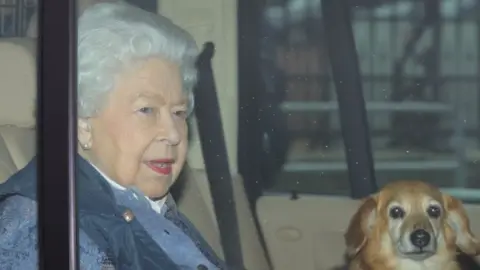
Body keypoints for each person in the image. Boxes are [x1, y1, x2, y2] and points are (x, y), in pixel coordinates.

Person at [0, 2, 227, 269]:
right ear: (82, 124)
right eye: (146, 110)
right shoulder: (43, 229)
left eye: (178, 112)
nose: (172, 134)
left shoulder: (148, 206)